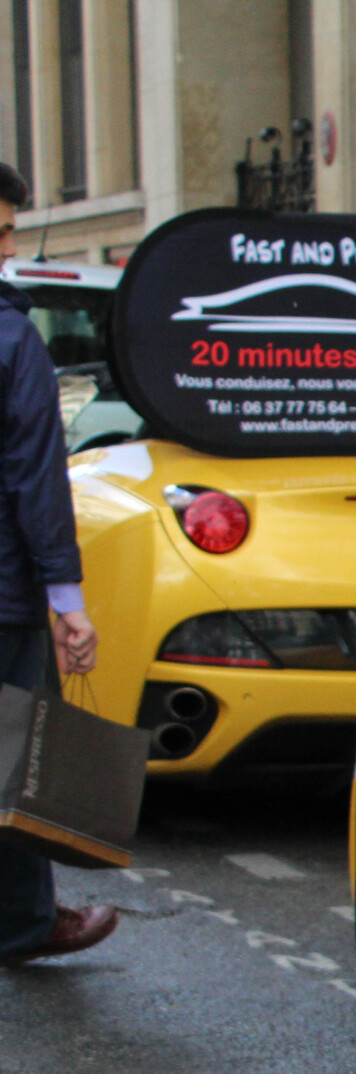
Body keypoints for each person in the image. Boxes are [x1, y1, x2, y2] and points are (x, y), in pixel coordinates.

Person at [0, 161, 113, 963]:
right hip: (2, 595)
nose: (3, 247)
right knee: (14, 756)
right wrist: (67, 598)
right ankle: (24, 921)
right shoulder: (11, 340)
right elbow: (37, 478)